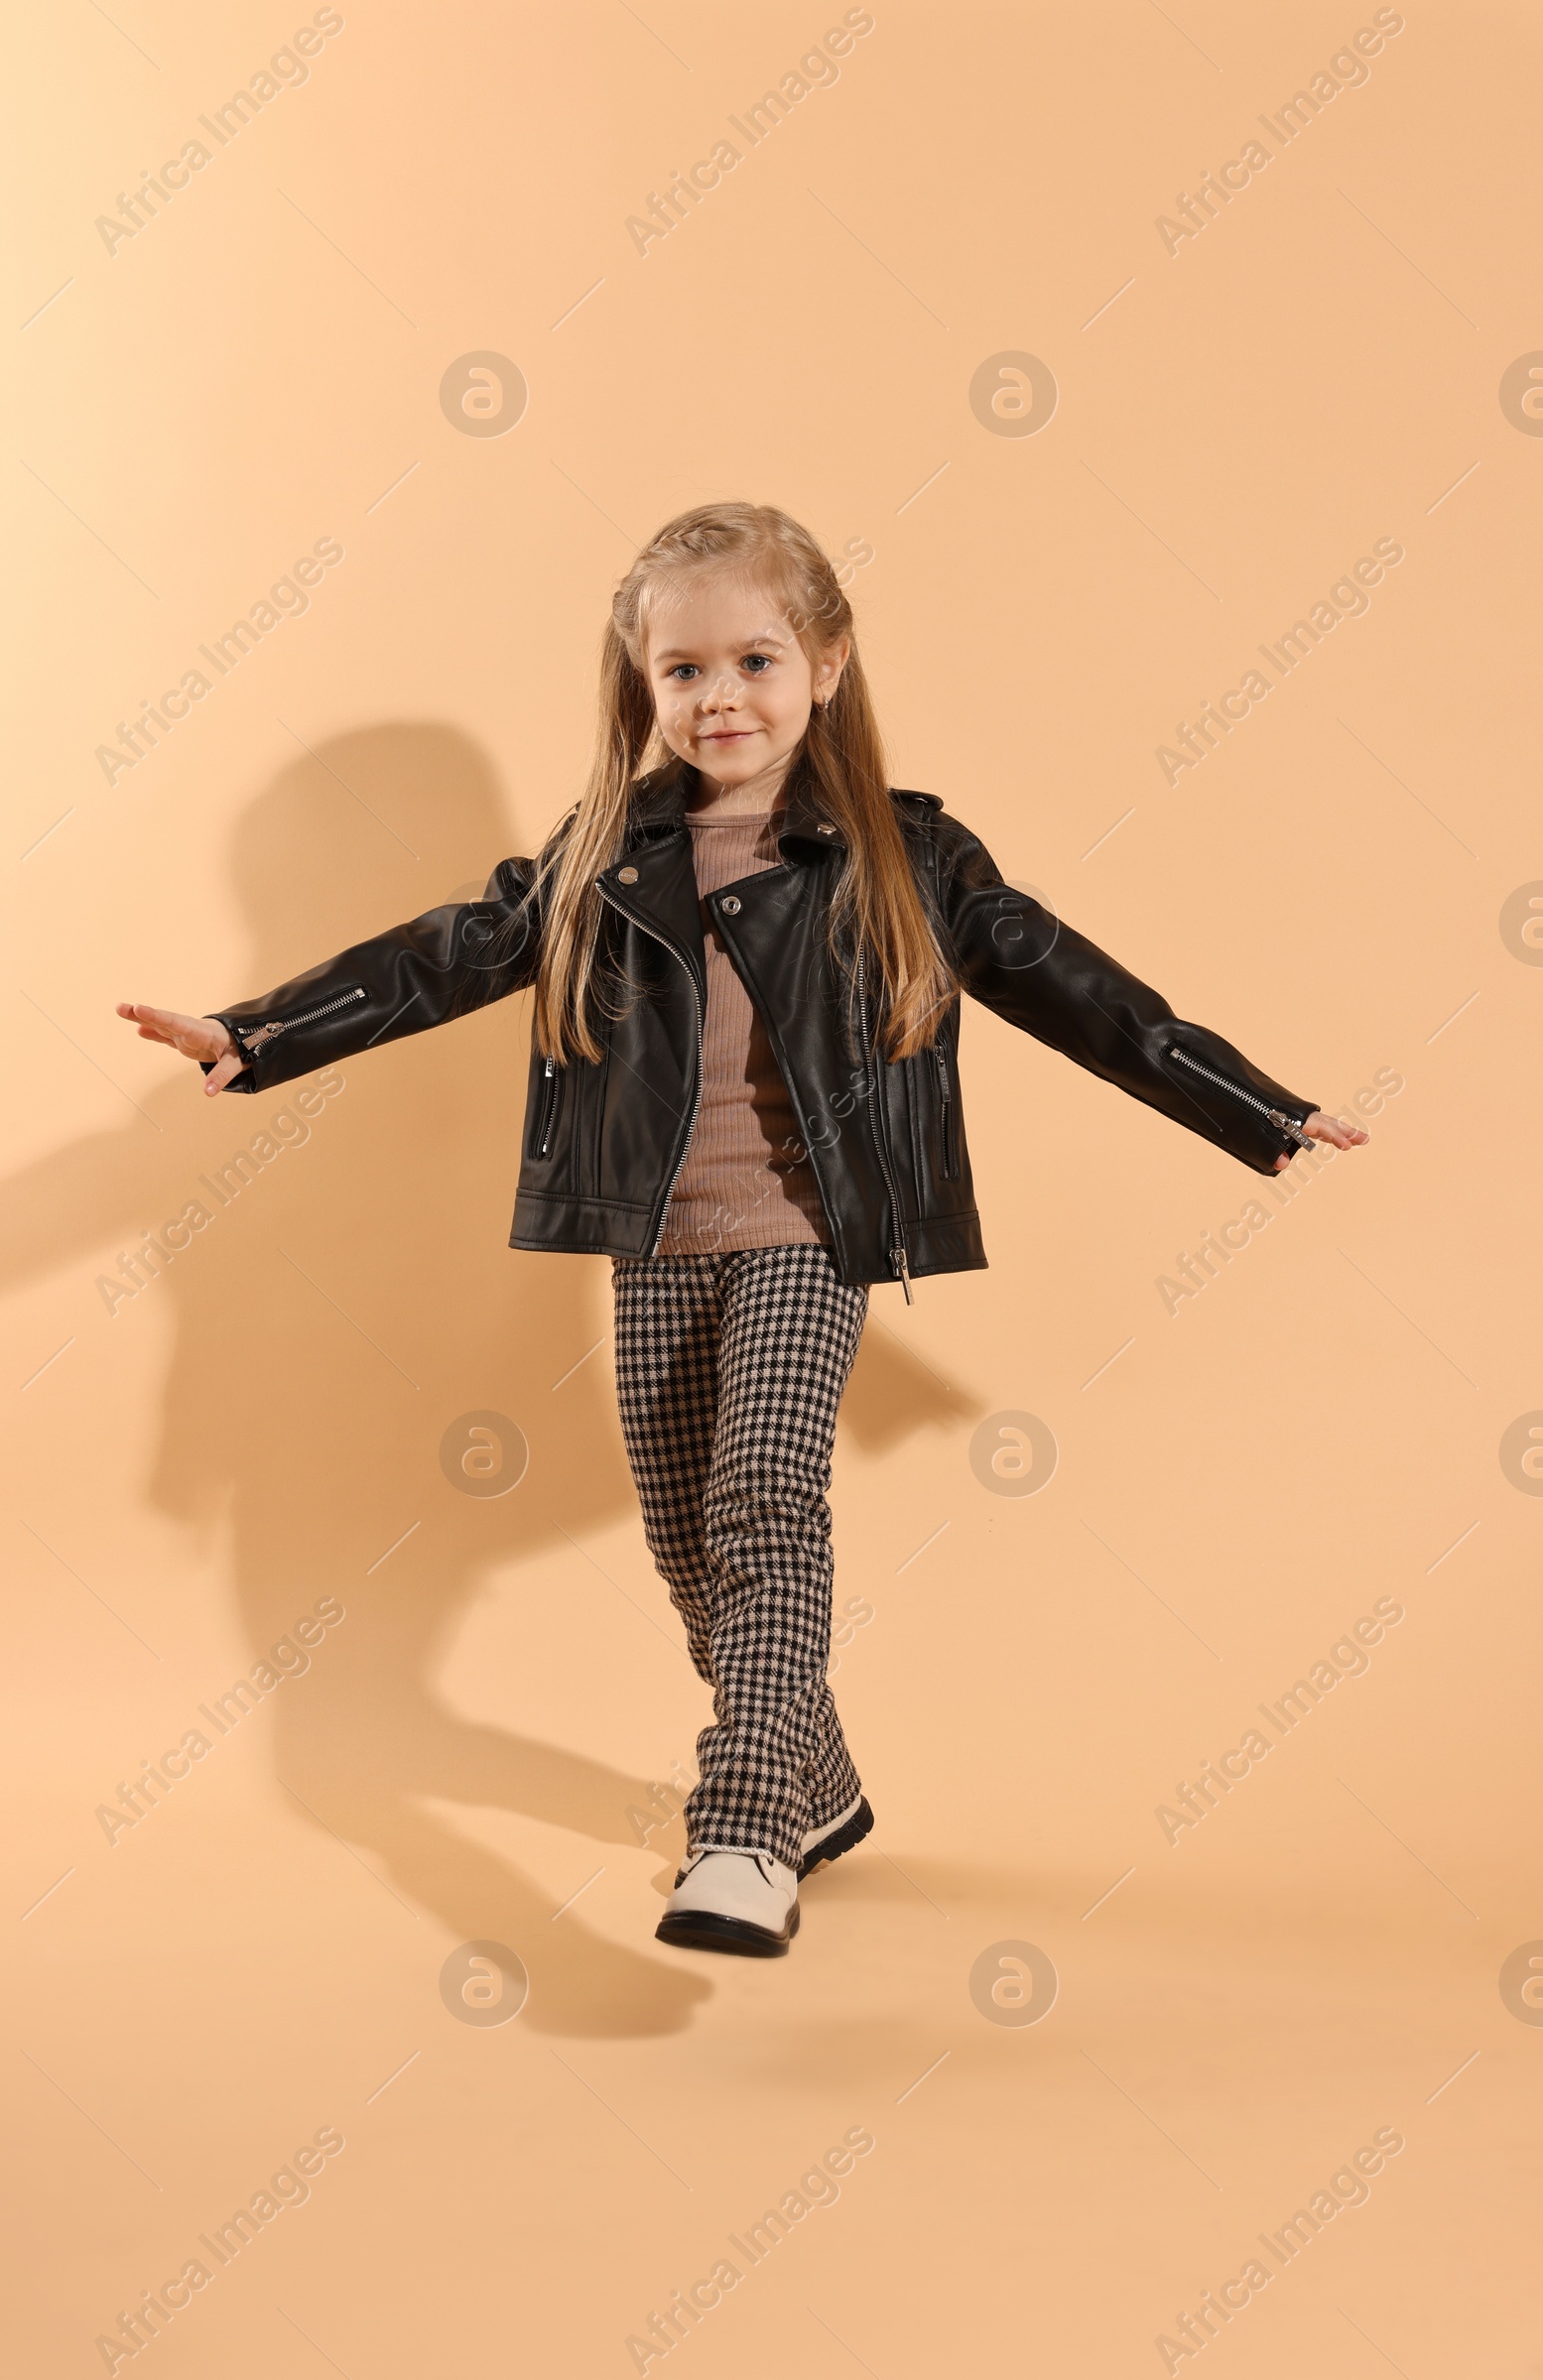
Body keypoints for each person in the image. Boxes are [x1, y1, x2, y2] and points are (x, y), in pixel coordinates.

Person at [117, 499, 1368, 1959]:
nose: (722, 698)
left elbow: (1084, 993)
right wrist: (259, 1033)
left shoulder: (911, 856)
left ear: (827, 665)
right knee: (687, 1541)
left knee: (766, 1497)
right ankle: (821, 1786)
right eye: (686, 672)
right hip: (655, 1240)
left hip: (807, 1233)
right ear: (642, 685)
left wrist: (1252, 1105)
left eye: (757, 661)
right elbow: (451, 952)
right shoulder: (607, 849)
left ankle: (746, 1831)